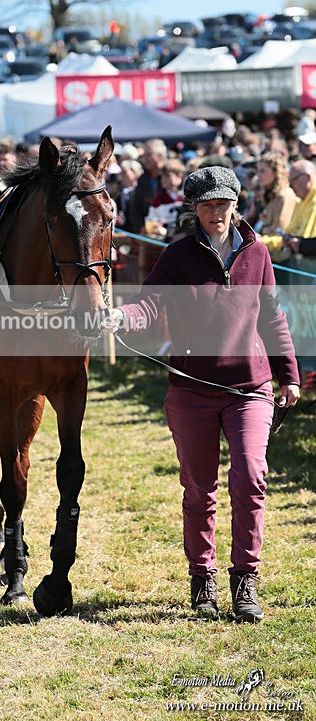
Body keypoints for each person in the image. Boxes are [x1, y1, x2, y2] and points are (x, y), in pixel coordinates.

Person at [105, 166, 300, 622]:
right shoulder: (177, 255)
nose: (217, 212)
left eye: (224, 204)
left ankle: (246, 580)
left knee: (250, 477)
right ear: (194, 209)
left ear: (236, 205)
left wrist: (288, 373)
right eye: (208, 205)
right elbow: (149, 303)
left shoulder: (257, 254)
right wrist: (121, 317)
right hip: (191, 390)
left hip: (250, 388)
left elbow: (272, 316)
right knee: (199, 489)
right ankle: (202, 579)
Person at [260, 160, 316, 262]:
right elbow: (288, 238)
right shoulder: (301, 201)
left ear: (308, 178)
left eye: (293, 181)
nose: (290, 186)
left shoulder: (313, 202)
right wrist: (262, 240)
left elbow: (304, 242)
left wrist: (263, 241)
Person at [254, 152, 298, 235]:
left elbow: (280, 232)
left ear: (276, 172)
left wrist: (263, 229)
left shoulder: (285, 196)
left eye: (263, 171)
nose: (258, 175)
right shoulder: (272, 195)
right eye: (258, 171)